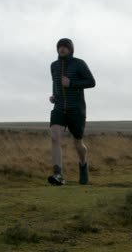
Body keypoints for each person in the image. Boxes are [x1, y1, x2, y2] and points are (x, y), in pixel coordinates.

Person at [48, 38, 96, 185]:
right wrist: (54, 96)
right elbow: (55, 83)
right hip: (59, 108)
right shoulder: (54, 66)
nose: (62, 49)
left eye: (65, 47)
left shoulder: (79, 64)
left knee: (78, 144)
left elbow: (91, 82)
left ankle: (83, 164)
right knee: (55, 137)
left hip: (76, 110)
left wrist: (71, 83)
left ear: (70, 49)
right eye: (60, 46)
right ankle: (58, 175)